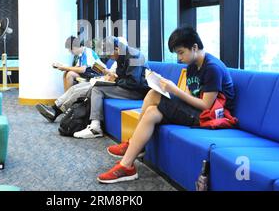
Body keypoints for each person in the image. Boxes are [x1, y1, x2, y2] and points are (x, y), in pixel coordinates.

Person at [97, 26, 235, 184]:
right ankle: (127, 166)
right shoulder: (191, 66)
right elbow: (191, 96)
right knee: (151, 113)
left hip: (211, 117)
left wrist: (174, 90)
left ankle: (132, 144)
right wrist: (170, 92)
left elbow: (205, 105)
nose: (179, 58)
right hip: (198, 112)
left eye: (181, 52)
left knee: (153, 94)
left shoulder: (212, 68)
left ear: (194, 47)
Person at [73, 36, 150, 139]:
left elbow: (134, 83)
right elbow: (124, 77)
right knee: (96, 87)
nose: (109, 57)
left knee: (97, 89)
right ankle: (87, 122)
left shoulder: (133, 56)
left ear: (117, 48)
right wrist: (113, 78)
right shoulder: (122, 55)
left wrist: (116, 80)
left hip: (137, 92)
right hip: (129, 88)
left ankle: (95, 127)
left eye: (110, 54)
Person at [35, 60, 117, 123]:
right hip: (104, 81)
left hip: (111, 86)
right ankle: (54, 107)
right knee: (75, 88)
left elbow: (118, 78)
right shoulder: (117, 61)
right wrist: (106, 72)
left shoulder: (125, 59)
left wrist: (111, 76)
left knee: (80, 91)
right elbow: (110, 73)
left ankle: (56, 111)